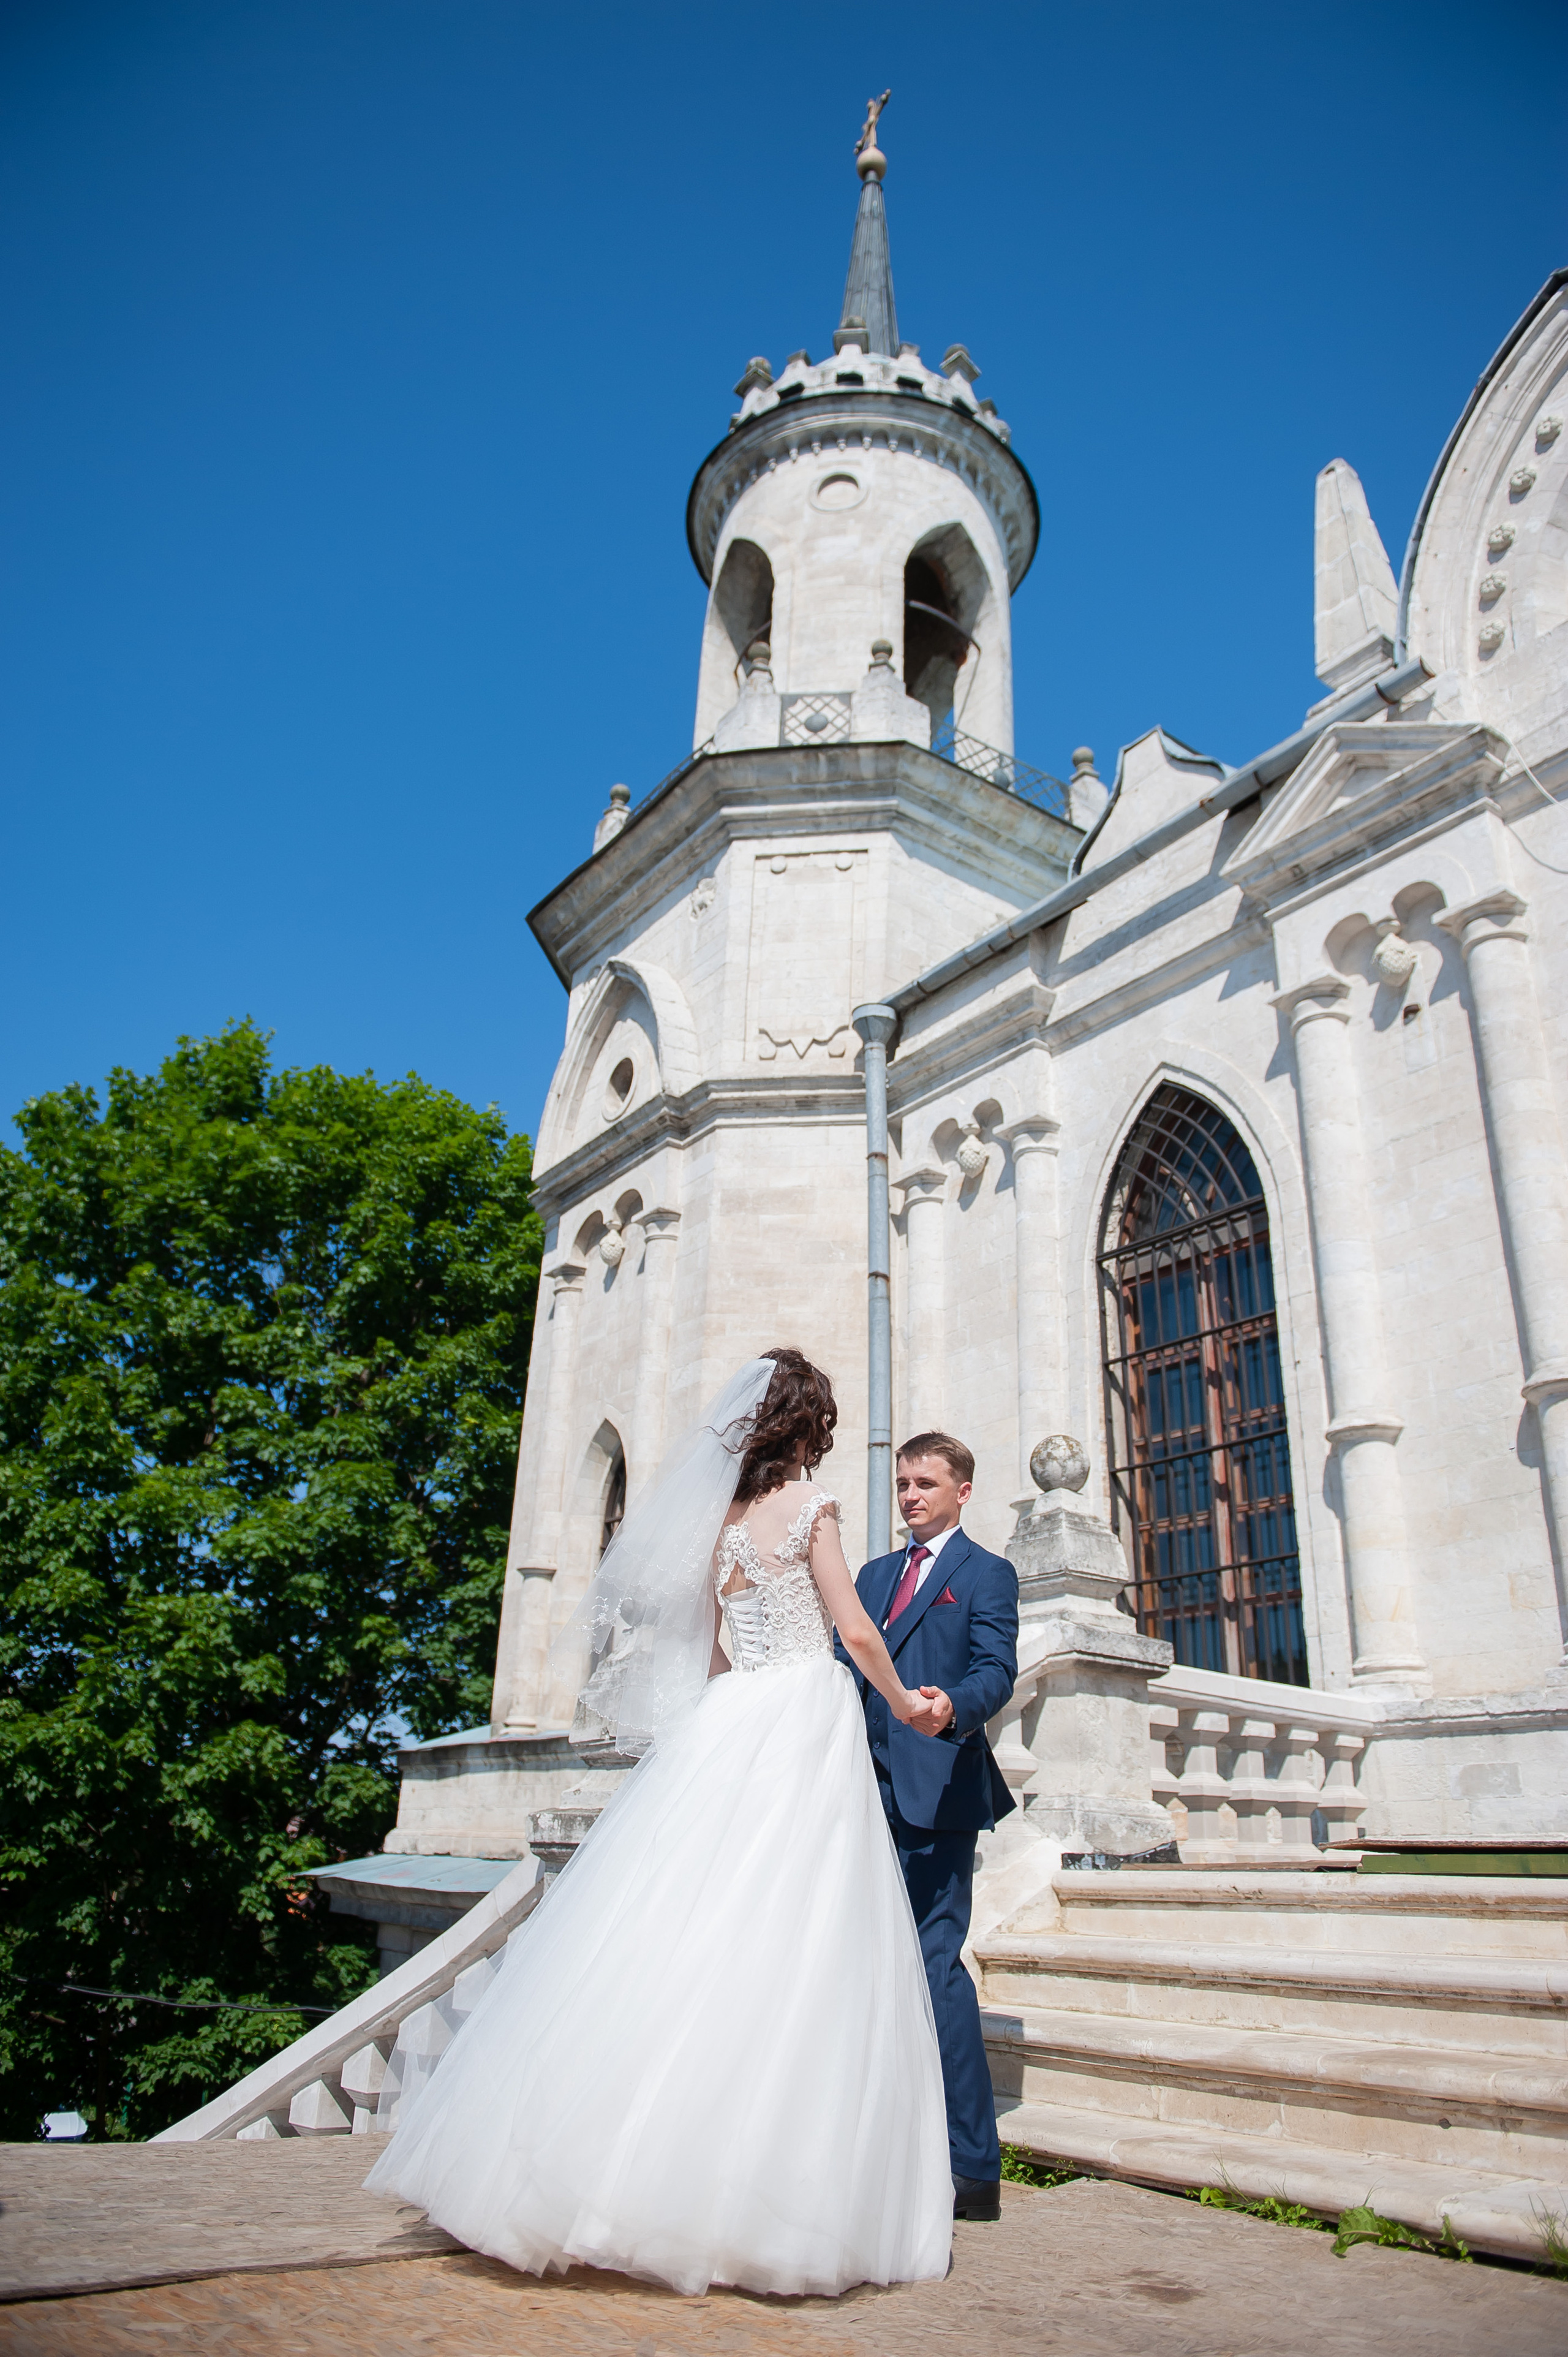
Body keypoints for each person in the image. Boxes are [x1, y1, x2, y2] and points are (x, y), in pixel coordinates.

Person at [365, 1350, 953, 2298]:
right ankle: (751, 2193)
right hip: (802, 1715)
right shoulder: (813, 1508)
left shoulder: (720, 1524)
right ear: (809, 1426)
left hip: (732, 1716)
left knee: (685, 1923)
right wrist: (906, 1704)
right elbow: (853, 1629)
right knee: (795, 1929)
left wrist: (719, 1727)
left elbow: (714, 1651)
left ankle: (601, 2171)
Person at [836, 1432, 1019, 2222]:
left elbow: (996, 1670)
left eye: (926, 1484)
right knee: (862, 1967)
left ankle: (972, 2168)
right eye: (903, 1483)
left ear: (962, 1491)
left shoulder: (986, 1573)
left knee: (936, 1966)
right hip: (856, 1792)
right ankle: (882, 2146)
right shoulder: (873, 1576)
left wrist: (954, 1709)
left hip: (938, 1792)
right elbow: (844, 1668)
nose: (910, 1496)